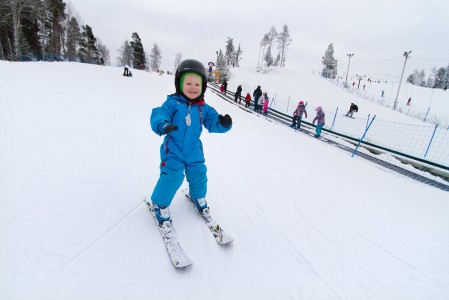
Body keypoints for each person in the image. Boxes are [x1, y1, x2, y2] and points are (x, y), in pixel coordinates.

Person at [150, 59, 232, 230]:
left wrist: (223, 124)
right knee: (173, 176)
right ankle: (159, 204)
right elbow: (159, 114)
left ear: (203, 87)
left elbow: (212, 123)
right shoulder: (172, 103)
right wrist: (163, 124)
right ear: (179, 83)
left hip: (194, 151)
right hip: (173, 150)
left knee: (199, 174)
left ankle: (197, 196)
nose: (193, 87)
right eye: (188, 83)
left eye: (197, 84)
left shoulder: (204, 108)